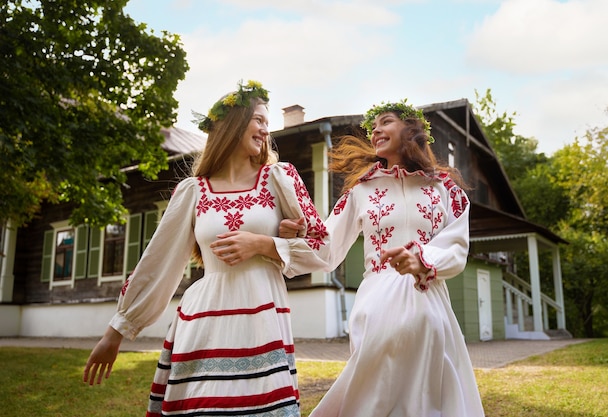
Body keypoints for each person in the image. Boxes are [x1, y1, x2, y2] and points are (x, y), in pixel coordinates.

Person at [83, 80, 329, 417]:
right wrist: (115, 333)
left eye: (266, 122)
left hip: (262, 318)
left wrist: (266, 243)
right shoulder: (192, 191)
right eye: (257, 119)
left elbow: (320, 247)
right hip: (204, 317)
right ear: (231, 125)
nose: (264, 129)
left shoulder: (279, 179)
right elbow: (157, 262)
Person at [279, 99, 485, 416]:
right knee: (374, 392)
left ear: (412, 130)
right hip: (377, 300)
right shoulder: (360, 191)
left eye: (385, 122)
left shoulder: (445, 189)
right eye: (373, 127)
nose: (376, 130)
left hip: (427, 296)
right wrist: (298, 235)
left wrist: (422, 261)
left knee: (429, 391)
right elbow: (327, 247)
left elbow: (456, 246)